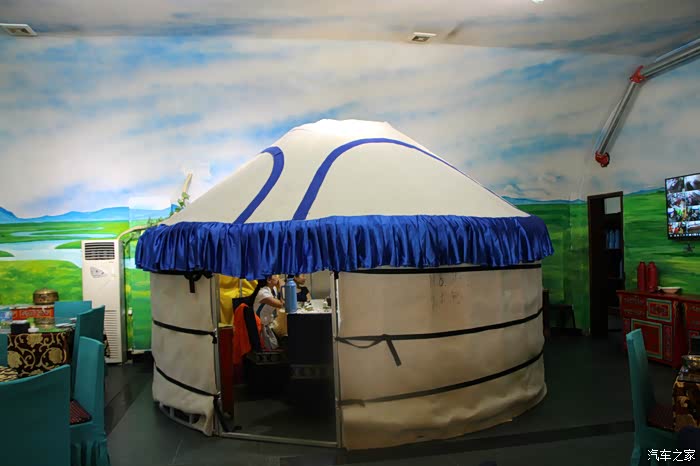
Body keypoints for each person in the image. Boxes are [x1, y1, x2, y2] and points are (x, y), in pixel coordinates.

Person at [251, 275, 288, 340]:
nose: (278, 277)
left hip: (269, 323)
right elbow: (282, 304)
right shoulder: (263, 293)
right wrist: (282, 287)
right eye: (275, 275)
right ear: (268, 280)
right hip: (261, 326)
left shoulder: (273, 289)